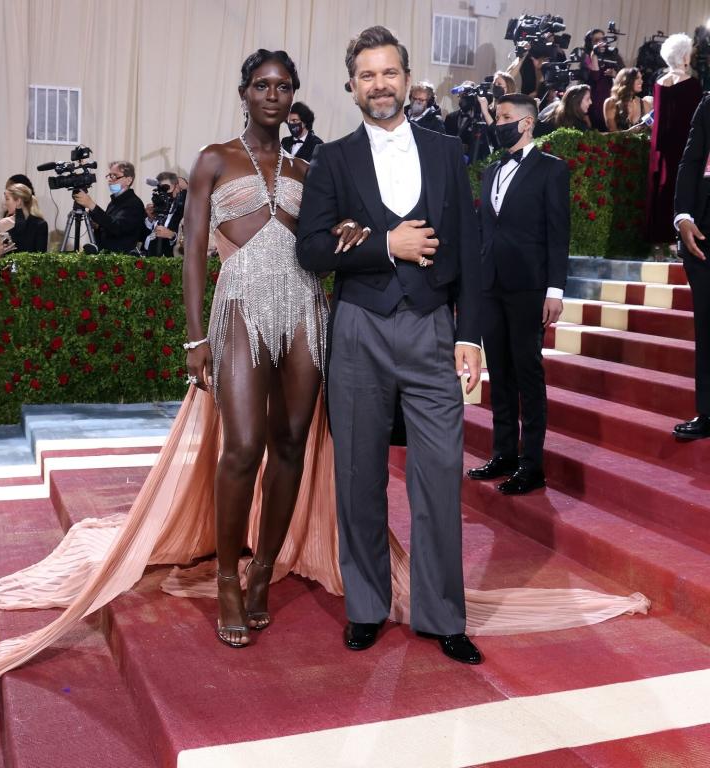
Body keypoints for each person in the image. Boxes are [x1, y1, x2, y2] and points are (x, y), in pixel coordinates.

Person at [0, 46, 650, 754]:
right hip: (236, 310)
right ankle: (228, 580)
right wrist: (191, 335)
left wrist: (366, 242)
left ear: (295, 95)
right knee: (243, 444)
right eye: (261, 83)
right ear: (244, 92)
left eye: (282, 84)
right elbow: (192, 246)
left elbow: (337, 236)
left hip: (308, 311)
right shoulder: (214, 159)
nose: (272, 94)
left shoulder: (314, 166)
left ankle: (263, 574)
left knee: (296, 441)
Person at [297, 25, 484, 663]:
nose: (380, 85)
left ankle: (441, 615)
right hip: (358, 328)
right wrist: (385, 245)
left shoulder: (446, 150)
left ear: (407, 78)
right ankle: (368, 606)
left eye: (389, 73)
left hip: (433, 326)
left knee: (438, 475)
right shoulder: (333, 158)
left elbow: (470, 250)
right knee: (358, 476)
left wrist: (470, 334)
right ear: (352, 87)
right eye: (367, 75)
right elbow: (312, 248)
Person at [468, 94, 569, 495]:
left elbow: (558, 235)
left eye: (506, 117)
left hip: (529, 287)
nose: (499, 123)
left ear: (527, 124)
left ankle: (533, 464)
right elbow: (484, 231)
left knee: (528, 373)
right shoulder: (491, 171)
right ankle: (504, 453)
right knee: (501, 372)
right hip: (491, 285)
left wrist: (555, 291)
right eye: (498, 117)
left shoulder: (551, 170)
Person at [672, 94, 710, 440]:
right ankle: (708, 411)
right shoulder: (708, 104)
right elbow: (690, 162)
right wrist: (682, 216)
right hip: (704, 234)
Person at [646, 33, 703, 243]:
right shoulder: (691, 84)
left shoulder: (660, 82)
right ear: (685, 56)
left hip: (660, 147)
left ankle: (659, 239)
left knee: (660, 186)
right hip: (683, 146)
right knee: (680, 188)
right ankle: (677, 238)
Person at [72, 161, 146, 253]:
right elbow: (109, 226)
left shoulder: (134, 203)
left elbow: (117, 229)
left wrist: (91, 205)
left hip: (121, 259)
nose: (110, 179)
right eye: (109, 175)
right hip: (107, 255)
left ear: (129, 180)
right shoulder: (114, 202)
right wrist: (98, 226)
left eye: (114, 175)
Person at [582, 28, 623, 132]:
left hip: (609, 98)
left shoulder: (611, 54)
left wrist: (615, 74)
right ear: (590, 43)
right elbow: (595, 76)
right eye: (596, 40)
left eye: (603, 39)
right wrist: (594, 54)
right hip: (593, 101)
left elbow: (623, 76)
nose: (600, 42)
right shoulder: (587, 56)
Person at [0, 183, 48, 259]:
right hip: (6, 270)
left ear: (18, 201)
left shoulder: (40, 225)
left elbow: (41, 258)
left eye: (7, 199)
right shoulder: (2, 224)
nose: (5, 203)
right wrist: (0, 252)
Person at [142, 171, 185, 256]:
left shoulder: (184, 209)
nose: (163, 193)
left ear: (176, 187)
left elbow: (187, 239)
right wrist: (150, 219)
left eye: (166, 188)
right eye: (160, 189)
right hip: (150, 256)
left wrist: (173, 236)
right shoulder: (158, 205)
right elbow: (144, 234)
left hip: (171, 259)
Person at [604, 68, 652, 132]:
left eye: (641, 78)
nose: (641, 81)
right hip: (618, 142)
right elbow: (612, 132)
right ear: (626, 80)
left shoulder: (644, 104)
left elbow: (652, 132)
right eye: (637, 78)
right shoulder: (611, 103)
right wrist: (629, 132)